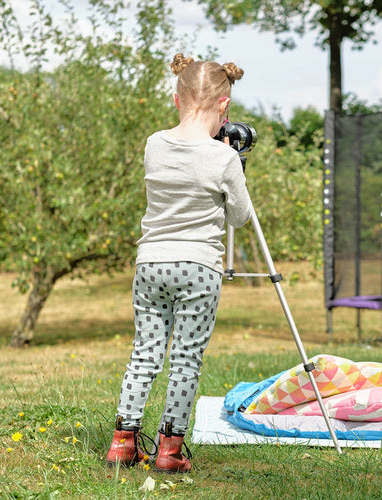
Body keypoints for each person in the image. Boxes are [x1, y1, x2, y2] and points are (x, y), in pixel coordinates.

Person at [105, 53, 252, 473]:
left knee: (145, 353)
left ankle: (123, 442)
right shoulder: (222, 158)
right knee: (185, 359)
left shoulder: (154, 143)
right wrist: (235, 164)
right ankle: (169, 450)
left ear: (176, 99)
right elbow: (239, 216)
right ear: (224, 107)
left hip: (151, 263)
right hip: (198, 267)